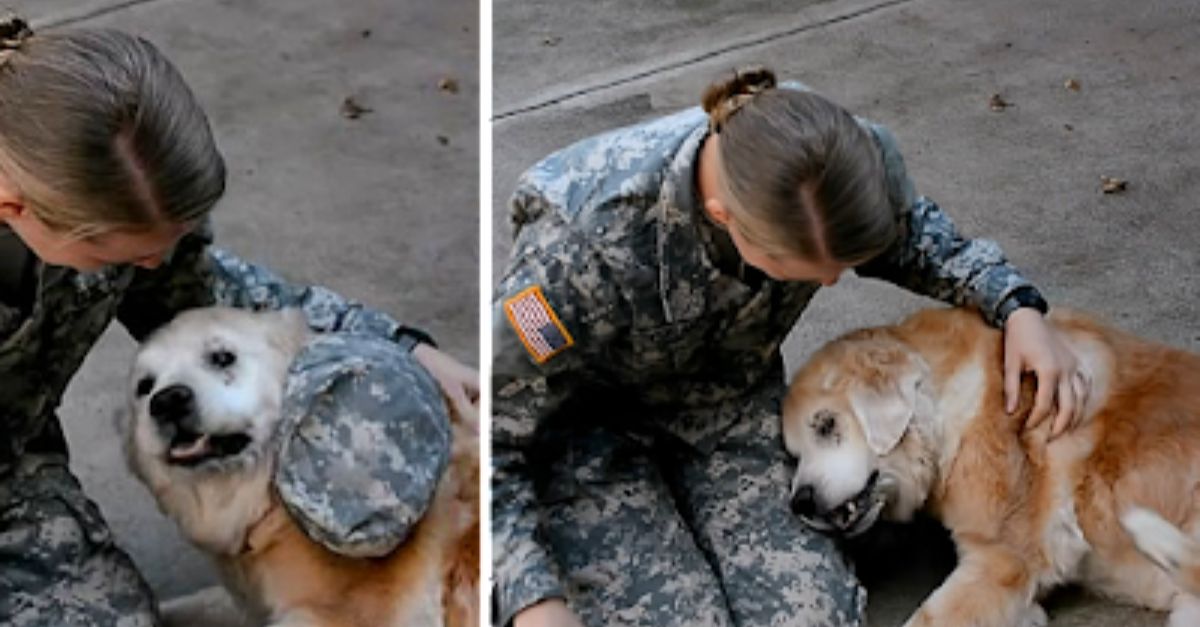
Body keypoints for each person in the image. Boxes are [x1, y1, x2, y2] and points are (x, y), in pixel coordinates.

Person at [492, 65, 1090, 627]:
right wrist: (529, 598)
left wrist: (1019, 309)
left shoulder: (838, 165)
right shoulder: (576, 248)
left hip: (725, 411)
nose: (830, 280)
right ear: (724, 216)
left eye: (840, 265)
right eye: (800, 266)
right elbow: (486, 434)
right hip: (587, 438)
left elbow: (922, 242)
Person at [0, 15, 476, 625]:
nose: (151, 264)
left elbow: (214, 300)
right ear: (15, 208)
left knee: (368, 378)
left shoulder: (84, 177)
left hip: (14, 472)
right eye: (117, 256)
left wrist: (406, 346)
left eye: (164, 243)